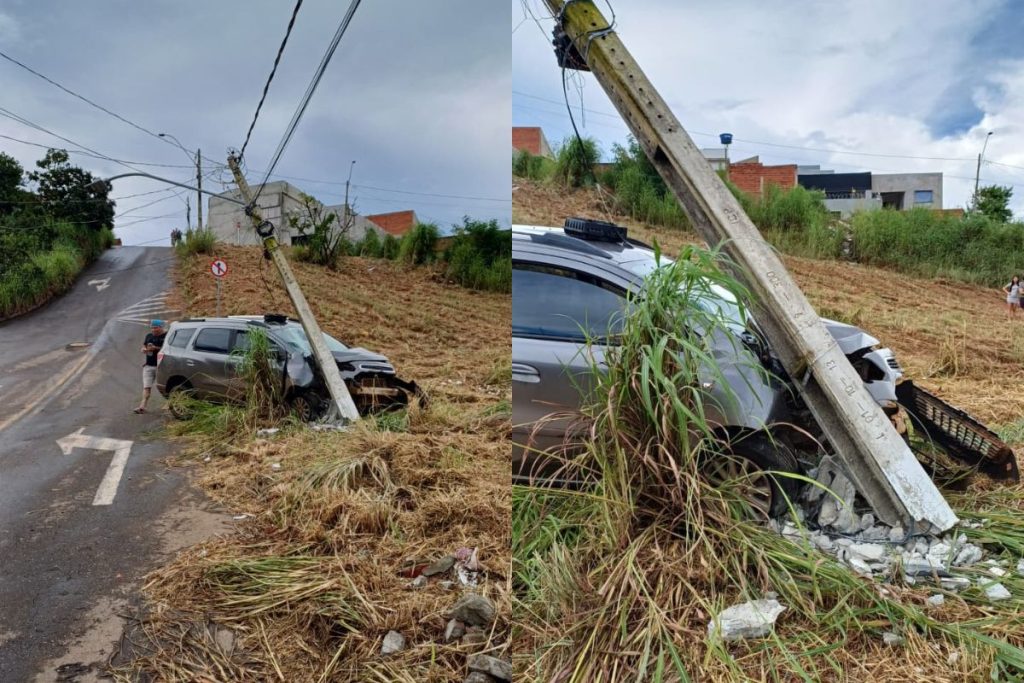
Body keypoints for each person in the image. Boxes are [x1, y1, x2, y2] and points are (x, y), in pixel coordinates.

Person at [135, 320, 166, 414]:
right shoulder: (149, 336)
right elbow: (144, 346)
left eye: (156, 327)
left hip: (162, 366)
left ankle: (169, 404)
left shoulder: (167, 336)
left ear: (161, 327)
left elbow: (168, 349)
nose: (153, 330)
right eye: (152, 327)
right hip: (148, 365)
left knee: (165, 386)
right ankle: (142, 406)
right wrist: (144, 349)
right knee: (146, 387)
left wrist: (156, 348)